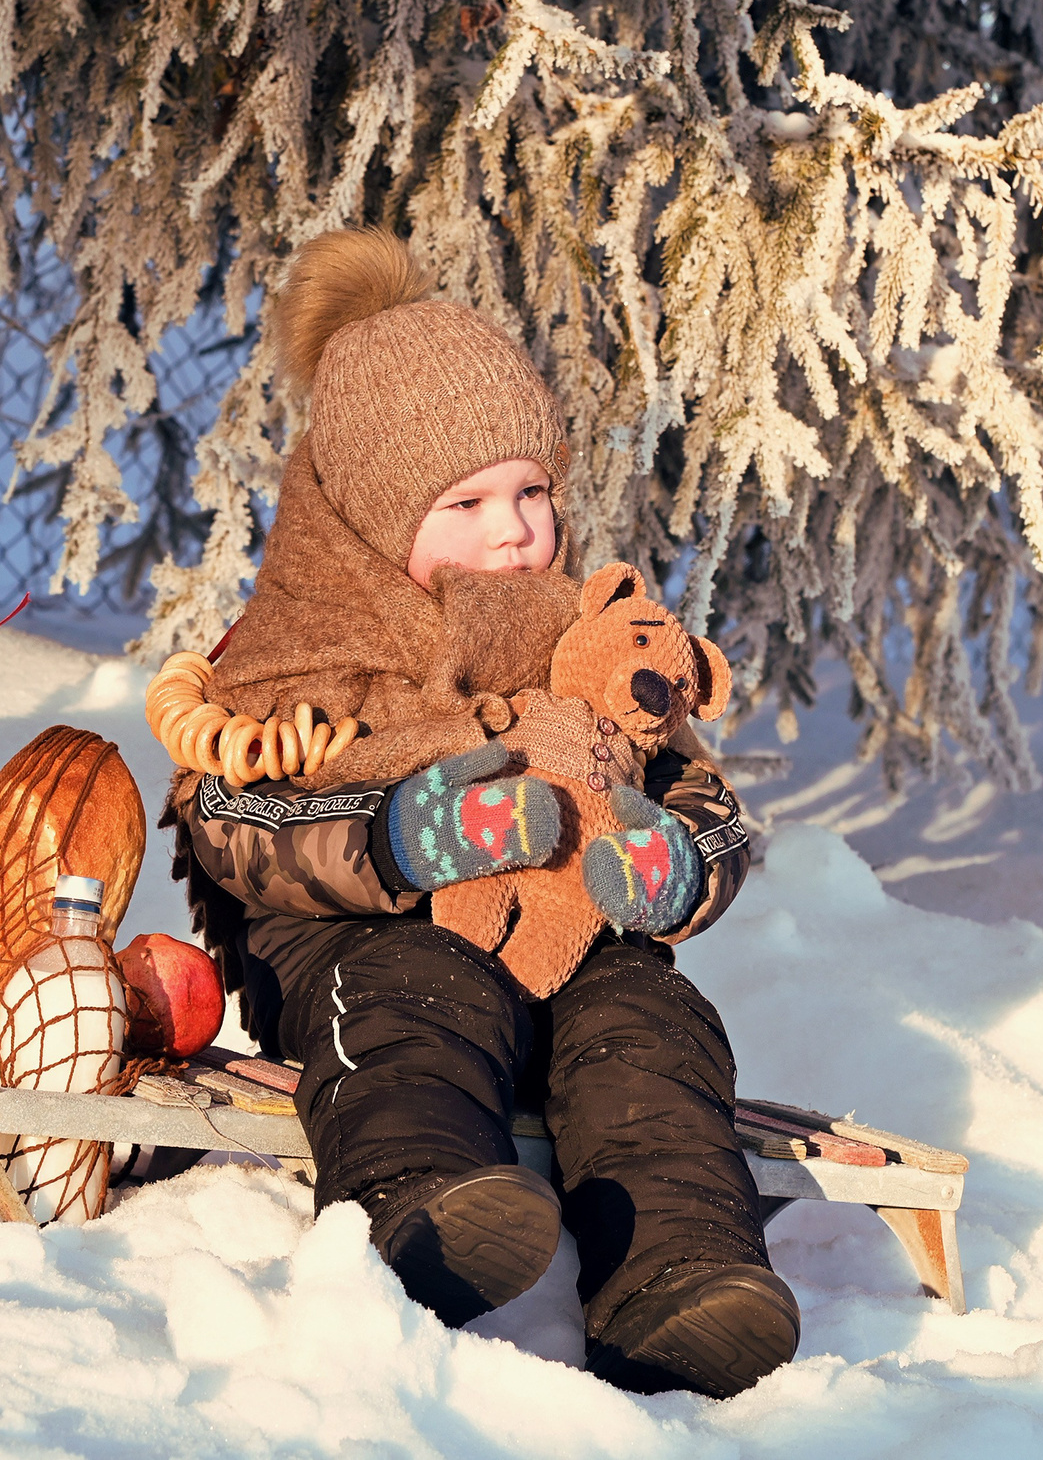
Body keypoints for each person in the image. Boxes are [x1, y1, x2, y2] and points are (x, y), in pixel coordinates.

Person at [162, 227, 795, 1398]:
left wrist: (678, 864)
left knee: (652, 1021)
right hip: (366, 942)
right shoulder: (300, 646)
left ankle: (683, 1270)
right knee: (412, 989)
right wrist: (400, 838)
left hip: (568, 939)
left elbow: (698, 791)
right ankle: (419, 1200)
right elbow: (234, 822)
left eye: (532, 491)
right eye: (463, 500)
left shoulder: (589, 640)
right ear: (364, 514)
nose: (514, 530)